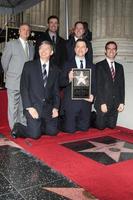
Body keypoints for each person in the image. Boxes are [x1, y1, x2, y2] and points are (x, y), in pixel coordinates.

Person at [11, 41, 60, 139]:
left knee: (53, 132)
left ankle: (39, 124)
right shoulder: (29, 66)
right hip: (33, 106)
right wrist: (29, 107)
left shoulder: (55, 69)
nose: (43, 51)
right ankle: (19, 127)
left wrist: (55, 107)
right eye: (41, 48)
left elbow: (55, 91)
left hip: (48, 108)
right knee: (35, 135)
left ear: (51, 52)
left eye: (47, 48)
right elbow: (23, 87)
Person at [1, 23, 35, 129]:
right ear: (19, 31)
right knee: (13, 106)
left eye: (28, 30)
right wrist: (10, 74)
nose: (26, 31)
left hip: (26, 83)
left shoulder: (31, 46)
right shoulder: (11, 44)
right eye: (23, 29)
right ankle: (14, 128)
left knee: (23, 105)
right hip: (13, 81)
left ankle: (22, 126)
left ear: (29, 33)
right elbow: (4, 61)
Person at [59, 39, 96, 133]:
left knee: (84, 130)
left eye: (83, 47)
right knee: (69, 130)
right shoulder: (67, 64)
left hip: (85, 104)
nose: (80, 49)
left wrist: (93, 95)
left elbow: (95, 84)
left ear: (87, 50)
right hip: (71, 104)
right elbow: (60, 83)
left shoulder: (92, 66)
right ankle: (59, 121)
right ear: (74, 49)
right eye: (78, 47)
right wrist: (69, 78)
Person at [94, 41, 125, 130]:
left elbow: (122, 86)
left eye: (113, 49)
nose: (111, 50)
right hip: (103, 103)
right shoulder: (99, 66)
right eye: (109, 48)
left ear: (116, 52)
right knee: (100, 127)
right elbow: (98, 85)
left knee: (112, 127)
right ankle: (93, 118)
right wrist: (102, 103)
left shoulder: (120, 67)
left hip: (115, 104)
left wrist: (122, 102)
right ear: (105, 51)